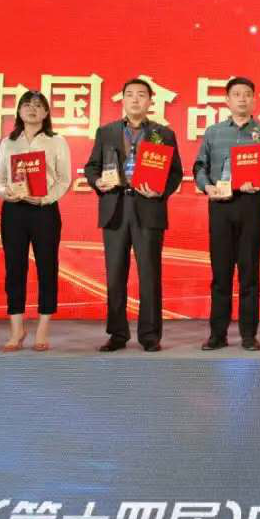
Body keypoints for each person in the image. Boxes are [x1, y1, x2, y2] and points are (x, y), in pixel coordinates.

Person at [84, 78, 183, 352]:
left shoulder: (163, 134)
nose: (135, 99)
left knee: (149, 274)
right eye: (130, 94)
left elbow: (175, 172)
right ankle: (117, 334)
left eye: (141, 95)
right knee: (115, 275)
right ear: (123, 100)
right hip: (115, 207)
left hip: (148, 207)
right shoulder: (106, 132)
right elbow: (91, 167)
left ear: (150, 101)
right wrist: (98, 182)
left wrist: (160, 190)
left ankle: (150, 336)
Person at [192, 76, 260, 351]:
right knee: (221, 273)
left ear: (254, 100)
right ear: (227, 100)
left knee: (249, 272)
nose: (242, 99)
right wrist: (207, 186)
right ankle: (217, 334)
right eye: (236, 94)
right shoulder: (214, 132)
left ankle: (248, 335)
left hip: (251, 204)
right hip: (221, 205)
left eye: (247, 94)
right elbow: (199, 166)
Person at [0, 90, 72, 352]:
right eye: (26, 105)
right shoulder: (8, 142)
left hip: (43, 211)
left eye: (38, 105)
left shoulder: (56, 141)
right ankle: (16, 329)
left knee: (47, 268)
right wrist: (5, 193)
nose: (32, 109)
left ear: (46, 112)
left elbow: (64, 179)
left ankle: (42, 329)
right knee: (14, 268)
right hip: (14, 211)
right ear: (19, 111)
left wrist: (45, 199)